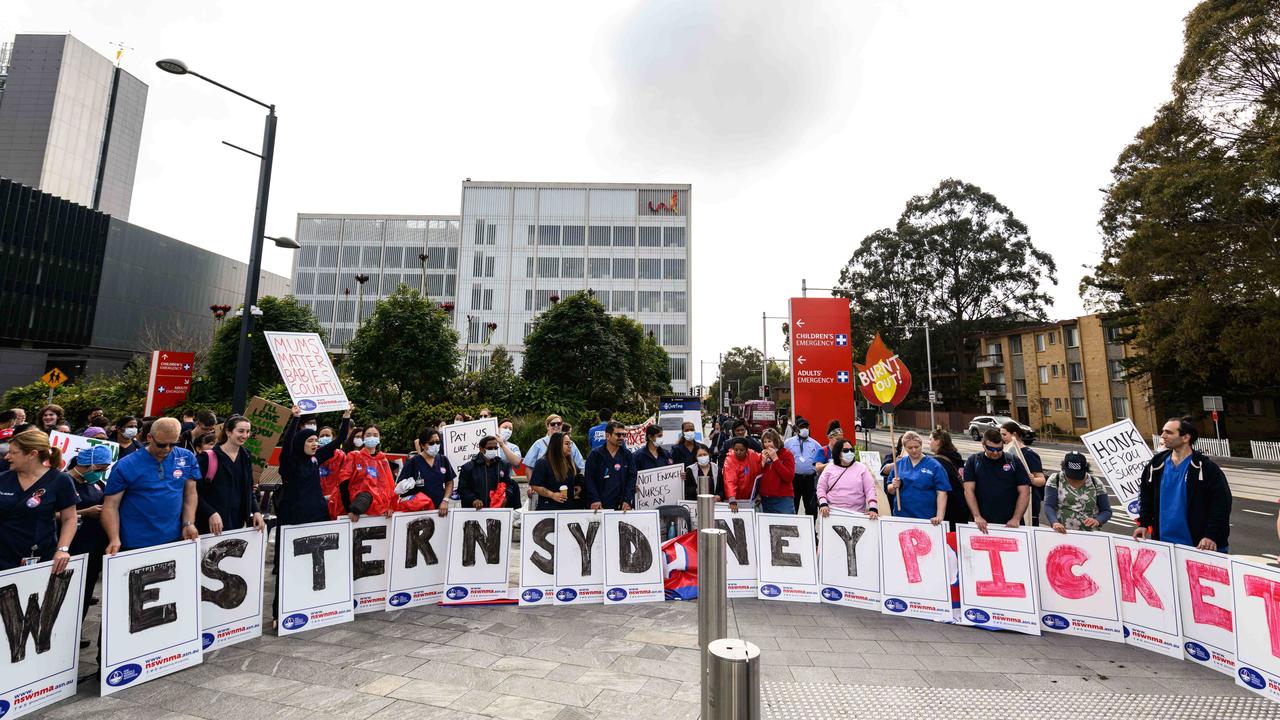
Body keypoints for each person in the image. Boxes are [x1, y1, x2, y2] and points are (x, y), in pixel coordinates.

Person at [101, 417, 201, 554]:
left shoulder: (186, 457)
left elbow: (190, 494)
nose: (167, 449)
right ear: (149, 437)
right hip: (136, 541)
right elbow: (110, 506)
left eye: (173, 444)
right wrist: (114, 538)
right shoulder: (126, 465)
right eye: (161, 444)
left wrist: (188, 523)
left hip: (174, 537)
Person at [1134, 417, 1231, 551]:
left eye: (1168, 432)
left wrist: (1211, 535)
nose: (1162, 436)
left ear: (1186, 437)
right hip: (1164, 545)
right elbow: (1146, 497)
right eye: (1163, 432)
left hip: (1200, 545)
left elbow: (1220, 505)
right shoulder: (1156, 464)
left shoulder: (1207, 468)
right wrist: (1143, 524)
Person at [0, 429, 78, 572]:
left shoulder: (60, 480)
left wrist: (62, 549)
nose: (7, 457)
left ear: (32, 454)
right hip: (3, 556)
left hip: (39, 556)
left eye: (13, 453)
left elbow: (70, 518)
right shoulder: (3, 479)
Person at [194, 415, 264, 535]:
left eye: (248, 431)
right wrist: (210, 513)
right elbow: (193, 492)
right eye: (241, 431)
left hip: (236, 523)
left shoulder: (246, 456)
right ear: (228, 432)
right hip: (209, 525)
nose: (245, 435)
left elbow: (248, 488)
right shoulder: (207, 458)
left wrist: (256, 511)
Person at [68, 445, 111, 623]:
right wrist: (85, 512)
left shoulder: (97, 483)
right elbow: (51, 514)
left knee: (86, 590)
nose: (101, 473)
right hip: (73, 546)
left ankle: (78, 629)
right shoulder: (65, 481)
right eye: (100, 469)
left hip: (94, 547)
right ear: (89, 464)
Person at [963, 428, 1031, 533]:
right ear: (983, 444)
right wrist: (977, 516)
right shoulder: (974, 461)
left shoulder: (1013, 461)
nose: (995, 453)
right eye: (991, 449)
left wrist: (1016, 518)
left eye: (999, 449)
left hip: (1010, 522)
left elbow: (1024, 491)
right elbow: (968, 490)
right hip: (982, 522)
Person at [331, 424, 396, 522]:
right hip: (356, 508)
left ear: (379, 438)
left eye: (375, 435)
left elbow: (390, 486)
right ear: (363, 437)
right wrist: (349, 510)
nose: (372, 437)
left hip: (379, 512)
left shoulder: (382, 460)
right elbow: (343, 483)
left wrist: (391, 506)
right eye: (368, 435)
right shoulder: (354, 456)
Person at [882, 431, 948, 524]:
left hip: (925, 517)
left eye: (916, 447)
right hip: (901, 516)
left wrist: (939, 516)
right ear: (904, 448)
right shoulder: (899, 464)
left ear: (921, 445)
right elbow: (890, 490)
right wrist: (894, 486)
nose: (914, 450)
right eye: (910, 448)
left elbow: (942, 492)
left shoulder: (934, 466)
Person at [1045, 451, 1112, 532]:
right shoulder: (1056, 479)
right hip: (1062, 532)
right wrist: (1054, 522)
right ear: (1064, 468)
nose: (1074, 478)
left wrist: (1097, 520)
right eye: (1071, 474)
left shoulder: (1096, 482)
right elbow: (1049, 505)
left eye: (1078, 474)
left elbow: (1106, 510)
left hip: (1089, 534)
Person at [397, 427, 455, 515]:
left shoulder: (443, 460)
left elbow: (449, 482)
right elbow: (400, 487)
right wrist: (405, 486)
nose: (435, 445)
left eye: (438, 442)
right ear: (422, 445)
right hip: (419, 511)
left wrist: (445, 500)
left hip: (439, 510)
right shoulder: (413, 462)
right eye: (431, 443)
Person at [817, 438, 879, 518]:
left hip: (857, 514)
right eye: (846, 451)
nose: (849, 453)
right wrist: (823, 503)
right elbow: (821, 487)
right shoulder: (829, 468)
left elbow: (870, 489)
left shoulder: (862, 468)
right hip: (832, 513)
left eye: (851, 450)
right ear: (838, 453)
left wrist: (873, 507)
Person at [584, 420, 637, 511]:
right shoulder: (595, 454)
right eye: (618, 435)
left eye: (623, 435)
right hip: (600, 505)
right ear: (607, 435)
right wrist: (595, 499)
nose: (622, 438)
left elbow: (632, 477)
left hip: (621, 506)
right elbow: (589, 478)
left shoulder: (627, 455)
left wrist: (627, 499)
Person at [1001, 421, 1045, 525]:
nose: (1002, 437)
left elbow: (1042, 480)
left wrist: (1033, 480)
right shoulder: (1005, 453)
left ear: (1014, 434)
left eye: (1004, 434)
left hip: (1030, 502)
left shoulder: (1029, 454)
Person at [459, 436, 520, 509]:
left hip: (498, 510)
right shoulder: (468, 467)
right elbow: (462, 489)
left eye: (495, 448)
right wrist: (474, 500)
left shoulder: (502, 465)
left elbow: (509, 484)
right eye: (490, 448)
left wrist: (506, 497)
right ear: (481, 449)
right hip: (475, 511)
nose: (493, 450)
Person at [929, 430, 971, 527]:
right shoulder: (956, 457)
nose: (929, 442)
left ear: (938, 441)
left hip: (948, 505)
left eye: (930, 439)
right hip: (962, 503)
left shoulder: (937, 461)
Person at [785, 418, 824, 519]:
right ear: (797, 429)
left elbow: (821, 461)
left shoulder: (815, 444)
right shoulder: (788, 443)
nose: (805, 429)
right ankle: (793, 529)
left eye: (806, 427)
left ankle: (812, 531)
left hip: (810, 479)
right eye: (802, 427)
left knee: (811, 507)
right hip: (794, 479)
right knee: (793, 506)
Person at [529, 431, 580, 510]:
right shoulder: (543, 462)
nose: (570, 446)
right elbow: (535, 485)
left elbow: (578, 475)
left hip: (569, 508)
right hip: (549, 508)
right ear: (557, 445)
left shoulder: (570, 462)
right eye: (567, 444)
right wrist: (552, 495)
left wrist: (579, 485)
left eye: (570, 444)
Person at [757, 428, 796, 514]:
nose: (767, 445)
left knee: (785, 525)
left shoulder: (787, 454)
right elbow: (756, 477)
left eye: (769, 441)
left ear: (776, 441)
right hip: (765, 498)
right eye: (765, 442)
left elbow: (788, 477)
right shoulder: (762, 455)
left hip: (783, 498)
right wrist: (762, 463)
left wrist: (775, 460)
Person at [722, 436, 763, 511]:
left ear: (747, 450)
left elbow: (761, 460)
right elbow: (730, 481)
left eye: (741, 450)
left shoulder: (753, 455)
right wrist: (732, 499)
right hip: (735, 500)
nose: (738, 452)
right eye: (736, 450)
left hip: (751, 498)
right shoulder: (729, 460)